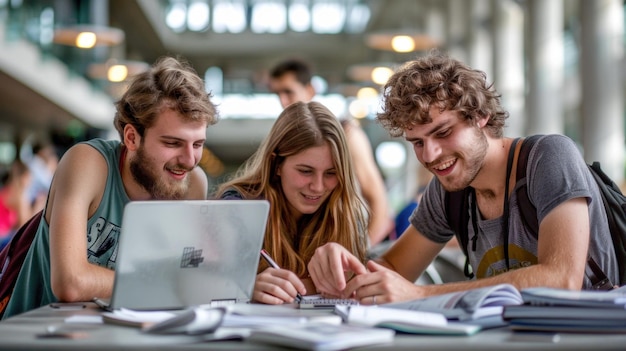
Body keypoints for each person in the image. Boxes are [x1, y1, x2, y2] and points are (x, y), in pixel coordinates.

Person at [307, 51, 617, 305]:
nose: (429, 155)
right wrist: (339, 265)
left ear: (480, 116)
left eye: (443, 132)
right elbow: (391, 270)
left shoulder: (548, 157)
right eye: (417, 142)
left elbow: (561, 280)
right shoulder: (447, 191)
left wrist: (421, 295)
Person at [1, 56, 218, 319]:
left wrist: (244, 283)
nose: (189, 160)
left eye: (197, 144)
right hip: (35, 335)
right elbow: (70, 283)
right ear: (131, 137)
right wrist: (162, 283)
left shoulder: (192, 184)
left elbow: (188, 280)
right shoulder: (88, 163)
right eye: (173, 143)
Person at [214, 101, 368, 305]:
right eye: (305, 171)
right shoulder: (237, 207)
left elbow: (356, 287)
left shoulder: (346, 212)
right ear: (276, 164)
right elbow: (204, 283)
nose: (318, 187)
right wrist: (244, 286)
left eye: (331, 173)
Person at [268, 59, 393, 247]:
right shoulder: (284, 140)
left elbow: (379, 201)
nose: (282, 101)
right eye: (277, 93)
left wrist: (362, 253)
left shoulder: (346, 135)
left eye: (288, 92)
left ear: (310, 90)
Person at [0, 160, 36, 249]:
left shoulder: (6, 190)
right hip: (4, 238)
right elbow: (25, 225)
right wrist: (38, 207)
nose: (31, 181)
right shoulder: (19, 196)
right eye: (29, 177)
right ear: (24, 177)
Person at [25, 141, 58, 212]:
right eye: (48, 151)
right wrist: (53, 169)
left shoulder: (38, 163)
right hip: (30, 201)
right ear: (41, 152)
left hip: (31, 200)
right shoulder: (36, 163)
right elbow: (49, 185)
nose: (49, 154)